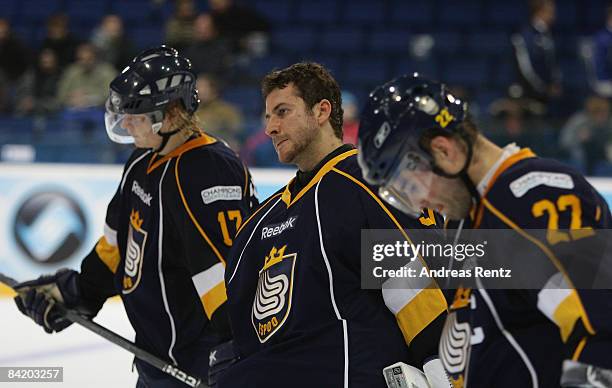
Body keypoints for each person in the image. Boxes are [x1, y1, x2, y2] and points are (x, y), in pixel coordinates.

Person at [13, 46, 258, 387]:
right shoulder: (141, 163)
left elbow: (225, 277)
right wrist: (78, 293)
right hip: (157, 363)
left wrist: (241, 357)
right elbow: (115, 248)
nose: (126, 123)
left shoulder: (206, 170)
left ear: (172, 114)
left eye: (137, 115)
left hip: (200, 371)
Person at [357, 73, 612, 387]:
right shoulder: (463, 225)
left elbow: (600, 337)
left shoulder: (538, 195)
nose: (419, 201)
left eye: (410, 184)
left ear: (444, 151)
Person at [216, 62, 449, 387]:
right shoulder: (257, 224)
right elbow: (241, 328)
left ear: (322, 111)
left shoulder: (367, 183)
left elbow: (414, 287)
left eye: (282, 111)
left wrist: (444, 370)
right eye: (268, 116)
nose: (270, 127)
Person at [511, 0, 561, 114]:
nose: (554, 15)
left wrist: (555, 82)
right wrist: (543, 88)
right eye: (550, 12)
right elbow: (526, 68)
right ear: (540, 12)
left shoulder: (548, 34)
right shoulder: (525, 35)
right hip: (531, 93)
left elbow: (552, 63)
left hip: (548, 92)